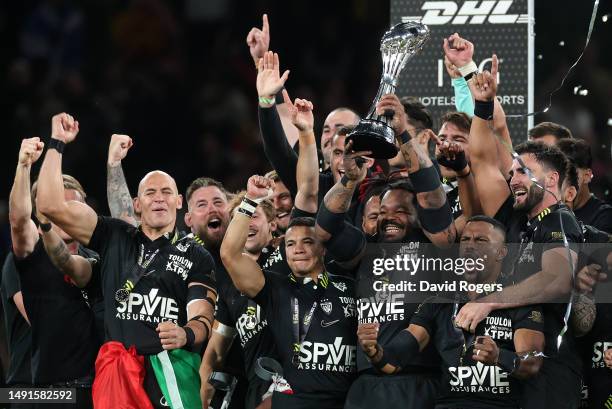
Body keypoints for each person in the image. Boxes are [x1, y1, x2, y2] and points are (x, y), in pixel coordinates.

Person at [36, 113, 216, 409]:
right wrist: (57, 143)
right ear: (137, 204)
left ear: (178, 201)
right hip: (116, 369)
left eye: (166, 192)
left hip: (171, 368)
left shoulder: (196, 254)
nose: (159, 198)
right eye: (150, 192)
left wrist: (185, 333)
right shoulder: (114, 235)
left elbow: (203, 318)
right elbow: (49, 205)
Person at [454, 55, 584, 409]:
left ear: (552, 180)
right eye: (513, 173)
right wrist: (477, 92)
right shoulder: (518, 221)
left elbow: (558, 280)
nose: (514, 179)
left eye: (523, 172)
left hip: (553, 374)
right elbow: (481, 158)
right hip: (514, 372)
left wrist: (490, 301)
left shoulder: (560, 220)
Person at [359, 216, 545, 409]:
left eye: (480, 240)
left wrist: (499, 357)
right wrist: (375, 351)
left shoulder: (518, 301)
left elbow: (532, 363)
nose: (470, 246)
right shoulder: (440, 302)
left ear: (501, 252)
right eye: (465, 239)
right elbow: (394, 361)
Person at [221, 174, 358, 409]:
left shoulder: (350, 286)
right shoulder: (276, 288)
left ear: (323, 248)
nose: (299, 250)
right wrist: (251, 200)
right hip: (292, 402)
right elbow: (230, 255)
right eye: (291, 244)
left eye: (308, 241)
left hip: (346, 402)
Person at [9, 137, 100, 408]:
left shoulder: (99, 258)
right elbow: (18, 221)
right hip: (40, 391)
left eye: (75, 206)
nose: (68, 214)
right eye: (59, 206)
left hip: (96, 388)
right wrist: (24, 166)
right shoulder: (29, 257)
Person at [557, 138, 612, 233]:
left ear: (587, 176)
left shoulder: (605, 217)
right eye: (557, 175)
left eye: (571, 173)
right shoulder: (546, 212)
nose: (561, 182)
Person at [0, 254, 33, 397]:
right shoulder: (17, 262)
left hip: (73, 380)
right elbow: (39, 320)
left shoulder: (89, 256)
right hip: (28, 385)